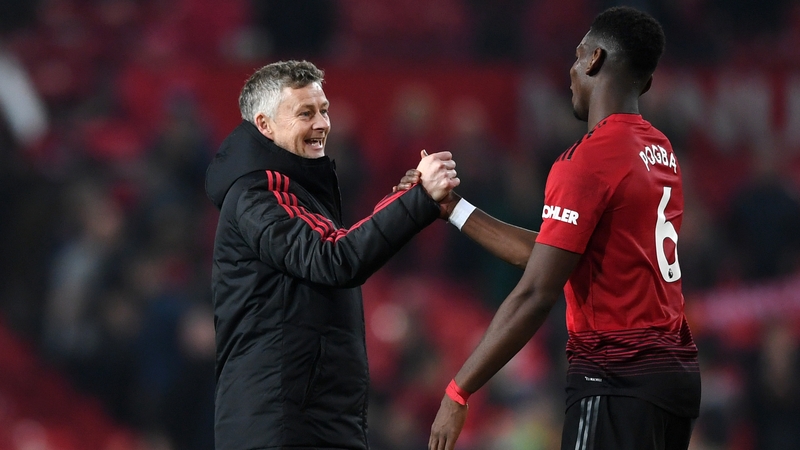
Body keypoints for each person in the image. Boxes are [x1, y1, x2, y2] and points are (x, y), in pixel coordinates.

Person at [405, 7, 700, 450]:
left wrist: (458, 390)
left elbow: (536, 292)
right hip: (673, 378)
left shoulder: (587, 160)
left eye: (576, 57)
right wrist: (453, 209)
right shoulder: (659, 151)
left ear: (595, 59)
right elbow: (552, 251)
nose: (570, 72)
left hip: (614, 377)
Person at [204, 60, 459, 450]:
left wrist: (407, 200)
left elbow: (333, 245)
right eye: (305, 113)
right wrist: (418, 199)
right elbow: (335, 257)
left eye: (324, 110)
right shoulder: (260, 194)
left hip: (311, 420)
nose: (322, 123)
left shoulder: (293, 189)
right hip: (281, 427)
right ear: (265, 125)